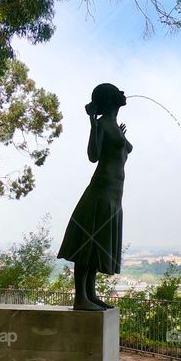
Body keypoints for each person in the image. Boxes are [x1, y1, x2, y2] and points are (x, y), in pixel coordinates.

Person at [57, 83, 132, 310]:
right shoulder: (101, 124)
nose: (123, 92)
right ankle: (81, 297)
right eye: (117, 90)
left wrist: (118, 135)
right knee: (88, 242)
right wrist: (92, 124)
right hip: (101, 191)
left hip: (113, 194)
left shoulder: (115, 126)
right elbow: (93, 155)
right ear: (109, 99)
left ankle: (90, 294)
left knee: (96, 243)